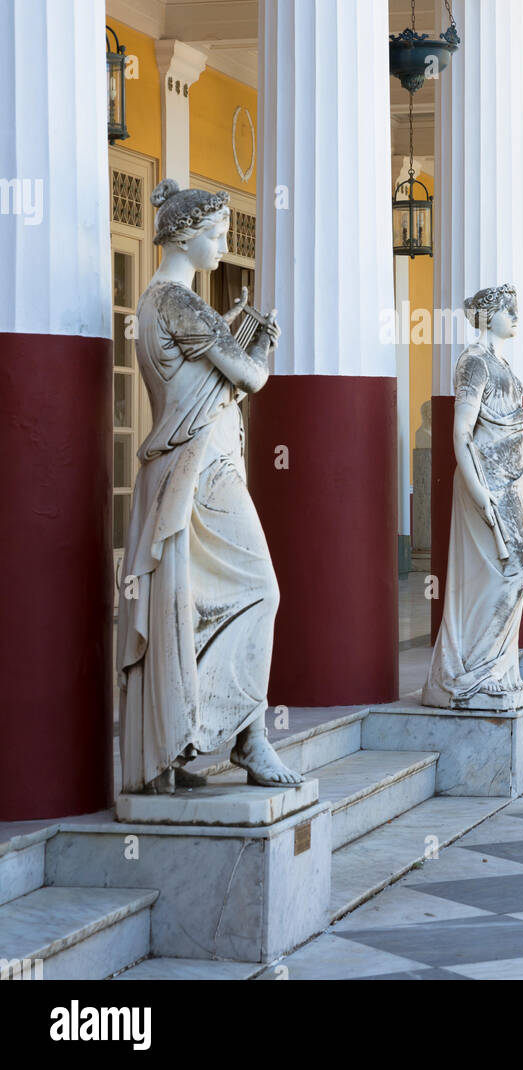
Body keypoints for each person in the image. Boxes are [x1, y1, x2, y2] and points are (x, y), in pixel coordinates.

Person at [117, 179, 301, 794]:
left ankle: (177, 740)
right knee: (261, 592)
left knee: (189, 607)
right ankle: (248, 737)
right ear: (187, 235)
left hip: (184, 470)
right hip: (203, 472)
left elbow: (203, 371)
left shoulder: (154, 303)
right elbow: (250, 375)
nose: (222, 245)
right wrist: (262, 341)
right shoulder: (179, 303)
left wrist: (231, 332)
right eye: (217, 235)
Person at [422, 284, 523, 710]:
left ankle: (499, 666)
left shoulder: (502, 361)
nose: (516, 317)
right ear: (490, 316)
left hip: (517, 482)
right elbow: (461, 432)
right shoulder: (473, 362)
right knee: (500, 575)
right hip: (486, 482)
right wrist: (478, 489)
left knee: (518, 571)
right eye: (510, 310)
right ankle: (473, 670)